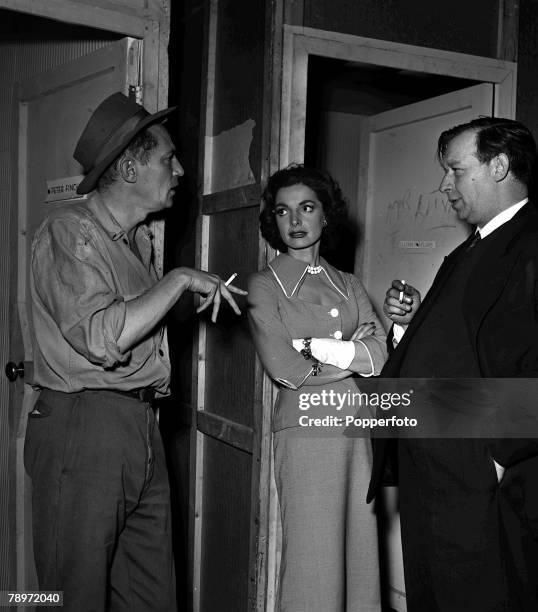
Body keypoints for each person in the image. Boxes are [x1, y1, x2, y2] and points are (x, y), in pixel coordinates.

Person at [24, 92, 246, 611]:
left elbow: (140, 329)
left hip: (140, 425)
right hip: (84, 426)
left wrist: (188, 296)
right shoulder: (68, 231)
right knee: (71, 595)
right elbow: (101, 336)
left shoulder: (135, 242)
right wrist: (179, 280)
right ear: (128, 166)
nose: (181, 170)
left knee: (150, 596)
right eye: (169, 158)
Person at [367, 117, 538, 611]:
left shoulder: (531, 243)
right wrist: (410, 329)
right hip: (435, 472)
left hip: (480, 477)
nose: (445, 185)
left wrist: (501, 457)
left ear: (500, 166)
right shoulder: (468, 250)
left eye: (456, 170)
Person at [247, 164, 387, 611]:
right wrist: (350, 354)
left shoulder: (347, 283)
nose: (295, 220)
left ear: (326, 216)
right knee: (314, 561)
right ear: (274, 221)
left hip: (356, 430)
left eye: (307, 208)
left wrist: (317, 348)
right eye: (284, 211)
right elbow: (285, 367)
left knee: (362, 556)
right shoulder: (264, 286)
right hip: (306, 431)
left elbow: (381, 354)